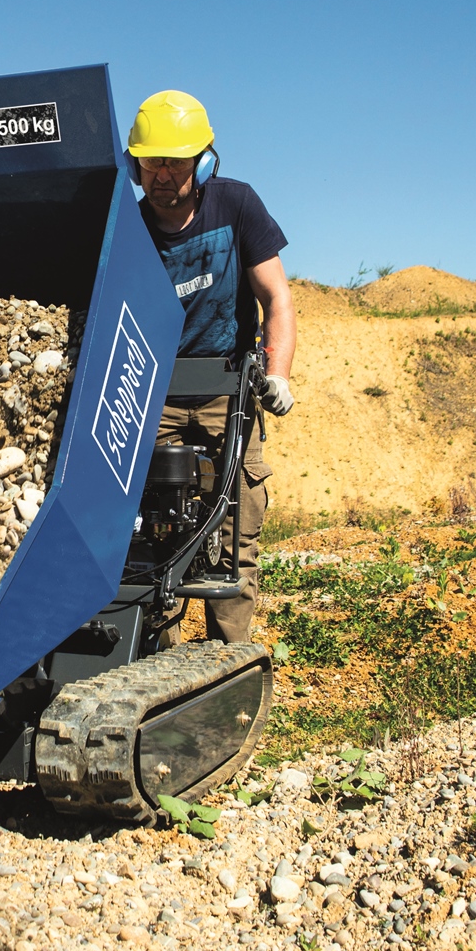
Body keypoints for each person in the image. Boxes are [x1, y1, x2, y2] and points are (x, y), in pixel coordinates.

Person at [127, 90, 296, 645]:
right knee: (153, 532)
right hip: (156, 395)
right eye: (151, 162)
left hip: (228, 393)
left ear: (202, 162)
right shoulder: (127, 229)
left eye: (175, 162)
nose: (162, 175)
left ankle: (231, 658)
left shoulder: (236, 206)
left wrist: (278, 373)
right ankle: (159, 662)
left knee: (236, 533)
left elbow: (275, 297)